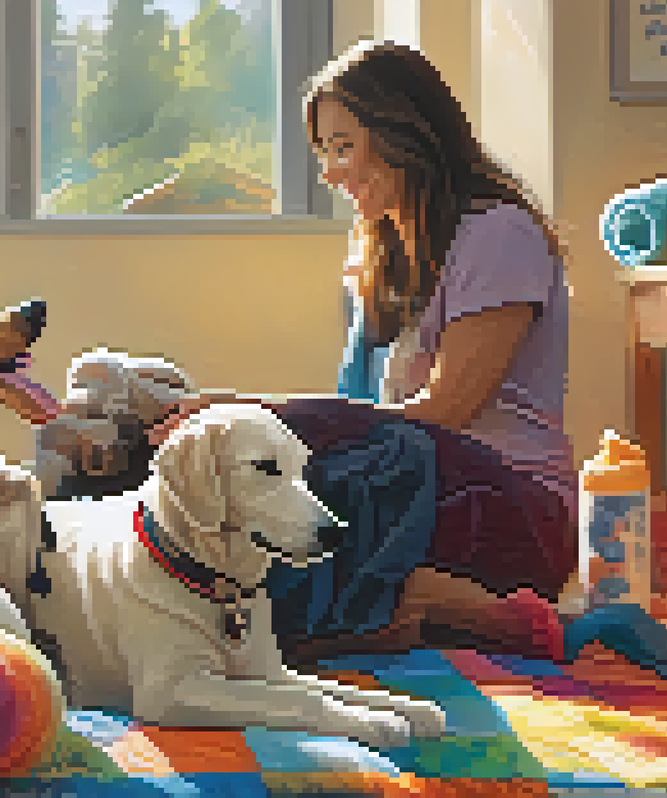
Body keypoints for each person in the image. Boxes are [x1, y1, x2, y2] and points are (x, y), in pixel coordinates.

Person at [150, 40, 576, 668]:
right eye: (324, 150)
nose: (330, 172)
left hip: (517, 516)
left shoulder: (497, 233)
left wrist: (257, 412)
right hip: (410, 500)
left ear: (408, 134)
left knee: (383, 452)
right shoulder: (378, 255)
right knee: (246, 479)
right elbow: (354, 410)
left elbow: (442, 415)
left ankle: (435, 608)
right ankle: (404, 608)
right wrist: (230, 431)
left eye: (344, 146)